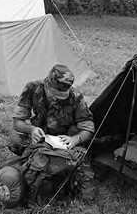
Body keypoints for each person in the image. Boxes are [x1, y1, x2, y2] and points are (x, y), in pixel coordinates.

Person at [8, 64, 96, 200]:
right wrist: (31, 130)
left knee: (77, 158)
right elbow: (17, 123)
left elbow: (88, 128)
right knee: (15, 139)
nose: (57, 98)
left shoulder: (75, 96)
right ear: (47, 83)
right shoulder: (32, 88)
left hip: (63, 140)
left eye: (62, 96)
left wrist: (75, 139)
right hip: (40, 136)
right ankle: (34, 159)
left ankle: (46, 163)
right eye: (55, 94)